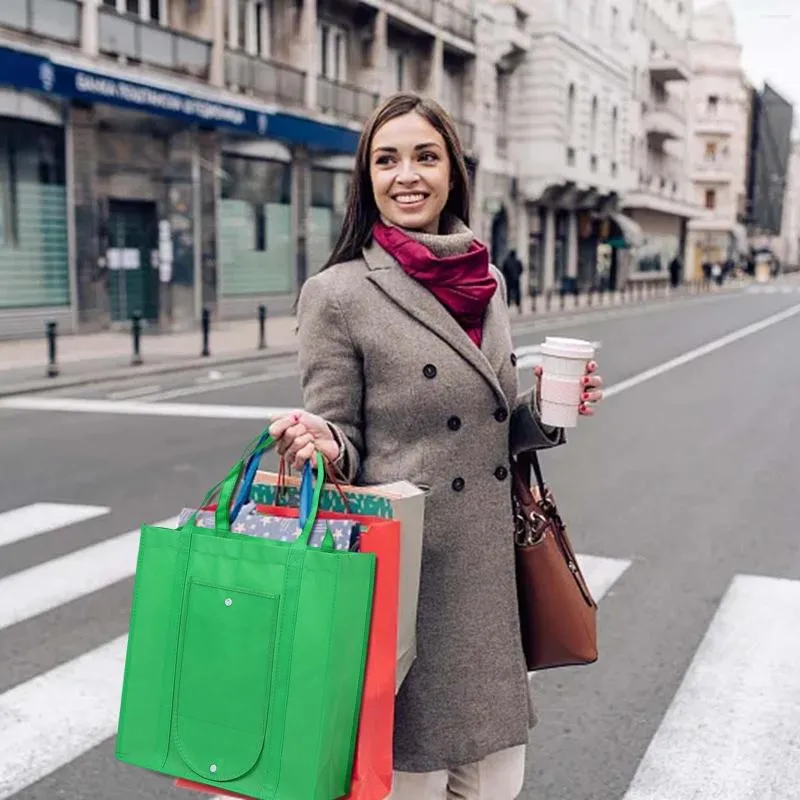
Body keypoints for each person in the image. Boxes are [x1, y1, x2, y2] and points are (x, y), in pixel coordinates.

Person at [269, 92, 604, 800]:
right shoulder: (338, 294)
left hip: (488, 577)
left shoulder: (489, 283)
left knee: (497, 783)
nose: (407, 175)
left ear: (453, 171)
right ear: (367, 179)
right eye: (386, 160)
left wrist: (548, 412)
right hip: (408, 581)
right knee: (412, 784)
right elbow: (345, 441)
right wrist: (320, 441)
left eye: (425, 156)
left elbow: (492, 422)